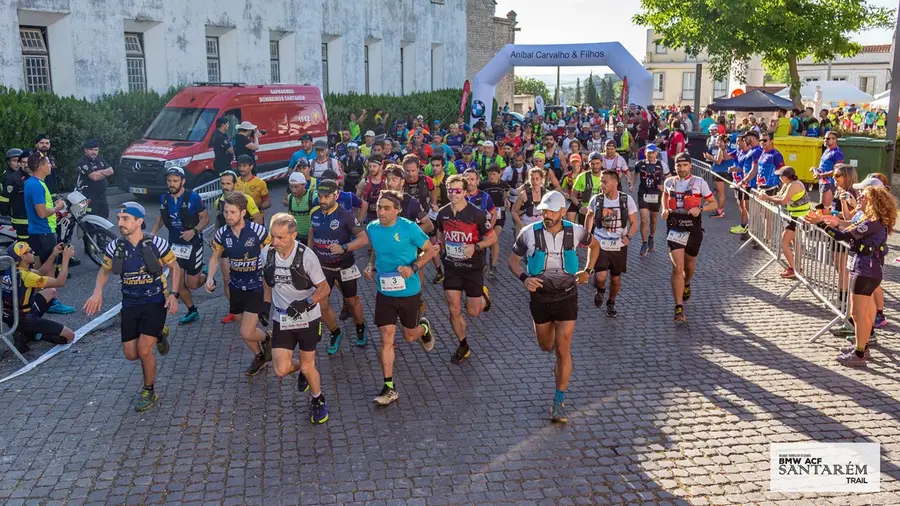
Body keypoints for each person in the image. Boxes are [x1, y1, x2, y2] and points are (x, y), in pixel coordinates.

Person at [508, 191, 599, 423]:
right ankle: (559, 362)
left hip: (567, 296)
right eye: (543, 211)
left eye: (550, 211)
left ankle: (559, 400)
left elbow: (595, 246)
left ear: (561, 211)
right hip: (540, 298)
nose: (545, 215)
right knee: (545, 345)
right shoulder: (528, 233)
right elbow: (513, 260)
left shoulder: (575, 231)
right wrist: (524, 279)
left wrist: (588, 271)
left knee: (562, 349)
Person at [84, 202, 180, 412]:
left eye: (125, 218)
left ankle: (149, 390)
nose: (120, 223)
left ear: (139, 221)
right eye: (119, 218)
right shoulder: (115, 246)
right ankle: (160, 334)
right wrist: (97, 291)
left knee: (145, 351)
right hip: (129, 304)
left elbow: (175, 267)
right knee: (131, 354)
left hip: (155, 301)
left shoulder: (157, 244)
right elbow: (104, 270)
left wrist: (174, 294)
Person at [804, 180, 895, 367]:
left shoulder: (872, 220)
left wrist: (820, 224)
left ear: (873, 201)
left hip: (865, 269)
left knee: (857, 313)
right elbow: (847, 227)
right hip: (867, 268)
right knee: (865, 312)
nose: (859, 197)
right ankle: (862, 346)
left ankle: (860, 353)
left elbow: (842, 236)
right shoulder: (869, 218)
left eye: (864, 196)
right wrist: (832, 221)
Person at [363, 190, 437, 406]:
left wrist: (413, 267)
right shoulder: (372, 228)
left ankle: (423, 328)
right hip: (384, 292)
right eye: (379, 207)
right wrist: (370, 265)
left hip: (408, 292)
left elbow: (430, 251)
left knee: (409, 336)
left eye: (386, 208)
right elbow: (376, 250)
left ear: (397, 210)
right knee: (386, 338)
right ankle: (389, 387)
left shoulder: (409, 227)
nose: (381, 211)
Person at [261, 213, 331, 423]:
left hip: (308, 318)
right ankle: (302, 369)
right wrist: (266, 305)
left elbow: (324, 288)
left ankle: (318, 399)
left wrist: (306, 303)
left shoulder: (307, 257)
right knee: (281, 369)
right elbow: (268, 280)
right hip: (282, 318)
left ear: (293, 235)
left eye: (281, 238)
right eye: (273, 236)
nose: (275, 242)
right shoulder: (268, 253)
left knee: (309, 365)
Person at [205, 192, 273, 375]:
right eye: (226, 212)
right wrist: (210, 277)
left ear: (243, 212)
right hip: (235, 287)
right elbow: (214, 258)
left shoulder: (258, 231)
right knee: (245, 328)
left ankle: (268, 338)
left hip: (255, 286)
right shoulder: (221, 234)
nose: (228, 216)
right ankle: (259, 356)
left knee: (245, 332)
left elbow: (272, 252)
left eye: (233, 212)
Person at [435, 174, 497, 364]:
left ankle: (482, 296)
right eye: (450, 190)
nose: (454, 194)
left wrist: (475, 247)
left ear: (464, 192)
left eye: (458, 191)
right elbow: (440, 231)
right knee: (453, 309)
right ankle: (463, 345)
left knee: (473, 312)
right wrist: (440, 244)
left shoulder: (476, 213)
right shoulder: (443, 213)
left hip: (473, 268)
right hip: (452, 267)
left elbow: (492, 237)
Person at [309, 179, 370, 354]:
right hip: (324, 268)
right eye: (320, 196)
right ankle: (335, 332)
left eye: (326, 196)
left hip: (345, 266)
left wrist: (344, 247)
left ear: (336, 195)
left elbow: (363, 239)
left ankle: (360, 326)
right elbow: (313, 232)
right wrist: (309, 250)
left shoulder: (345, 215)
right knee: (321, 304)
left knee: (352, 302)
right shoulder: (315, 212)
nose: (322, 200)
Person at [662, 153, 717, 322]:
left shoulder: (700, 183)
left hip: (693, 228)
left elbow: (713, 203)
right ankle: (678, 308)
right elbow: (665, 195)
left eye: (685, 165)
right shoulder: (669, 182)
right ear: (675, 167)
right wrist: (665, 209)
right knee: (677, 268)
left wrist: (700, 208)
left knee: (689, 265)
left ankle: (687, 283)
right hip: (674, 227)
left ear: (690, 166)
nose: (682, 168)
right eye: (679, 166)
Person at [150, 167, 209, 324]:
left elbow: (205, 218)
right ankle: (192, 310)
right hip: (174, 245)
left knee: (193, 284)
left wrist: (194, 231)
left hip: (193, 244)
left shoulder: (193, 197)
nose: (172, 184)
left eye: (175, 181)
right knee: (177, 282)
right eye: (169, 181)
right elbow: (161, 217)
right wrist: (154, 232)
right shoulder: (164, 198)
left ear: (183, 181)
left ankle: (206, 276)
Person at [23, 153, 74, 314]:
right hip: (43, 232)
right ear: (40, 166)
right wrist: (58, 207)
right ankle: (51, 302)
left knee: (40, 269)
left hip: (40, 232)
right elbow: (42, 213)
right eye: (48, 163)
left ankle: (36, 300)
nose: (51, 165)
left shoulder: (34, 182)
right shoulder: (36, 185)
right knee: (49, 269)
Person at [583, 170, 638, 317]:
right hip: (600, 242)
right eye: (601, 181)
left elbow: (634, 223)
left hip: (618, 244)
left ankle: (611, 302)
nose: (601, 184)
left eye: (604, 181)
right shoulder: (597, 199)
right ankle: (600, 290)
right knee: (600, 277)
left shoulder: (626, 200)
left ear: (615, 183)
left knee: (615, 279)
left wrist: (629, 237)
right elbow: (589, 216)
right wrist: (587, 235)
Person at [2, 241, 76, 346]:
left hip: (12, 314)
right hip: (24, 318)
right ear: (23, 256)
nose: (33, 252)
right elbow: (60, 282)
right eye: (30, 251)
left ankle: (26, 331)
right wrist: (66, 258)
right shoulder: (27, 276)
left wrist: (54, 253)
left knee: (51, 292)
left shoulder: (14, 269)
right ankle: (30, 335)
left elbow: (40, 272)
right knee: (69, 336)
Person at [213, 170, 264, 324]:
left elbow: (257, 217)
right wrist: (215, 236)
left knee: (252, 276)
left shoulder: (246, 199)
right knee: (228, 277)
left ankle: (256, 308)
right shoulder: (218, 202)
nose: (225, 186)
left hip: (246, 244)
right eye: (222, 183)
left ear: (235, 184)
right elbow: (218, 219)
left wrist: (253, 238)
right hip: (226, 242)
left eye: (228, 183)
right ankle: (235, 308)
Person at [757, 167, 810, 279]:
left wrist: (767, 198)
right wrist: (767, 197)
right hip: (795, 217)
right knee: (795, 243)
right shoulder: (788, 184)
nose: (779, 178)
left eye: (780, 176)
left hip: (798, 218)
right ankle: (797, 268)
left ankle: (793, 269)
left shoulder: (794, 185)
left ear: (785, 177)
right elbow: (780, 196)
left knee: (783, 243)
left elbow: (783, 201)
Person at [634, 144, 667, 256]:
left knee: (653, 219)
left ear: (656, 153)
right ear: (645, 153)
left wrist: (664, 187)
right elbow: (635, 173)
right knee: (644, 219)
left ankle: (651, 237)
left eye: (653, 153)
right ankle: (643, 243)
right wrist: (632, 184)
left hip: (656, 194)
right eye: (649, 153)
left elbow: (669, 177)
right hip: (643, 193)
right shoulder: (640, 164)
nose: (651, 155)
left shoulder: (662, 165)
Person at [478, 165, 509, 275]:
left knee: (494, 238)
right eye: (490, 174)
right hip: (486, 216)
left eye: (494, 174)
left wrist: (507, 200)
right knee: (485, 239)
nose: (491, 176)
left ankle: (494, 265)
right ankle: (484, 261)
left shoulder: (504, 185)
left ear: (499, 174)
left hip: (500, 216)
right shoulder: (483, 185)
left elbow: (507, 195)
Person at [74, 139, 114, 219]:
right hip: (89, 197)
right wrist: (104, 172)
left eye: (96, 150)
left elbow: (111, 171)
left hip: (102, 196)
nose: (94, 152)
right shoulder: (83, 162)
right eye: (91, 149)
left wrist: (98, 172)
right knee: (91, 220)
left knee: (104, 218)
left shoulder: (99, 159)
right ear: (85, 150)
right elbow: (94, 177)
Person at [0, 148, 30, 242]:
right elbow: (4, 199)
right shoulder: (9, 177)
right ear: (9, 162)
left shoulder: (25, 174)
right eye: (14, 161)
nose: (17, 163)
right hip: (17, 217)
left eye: (19, 161)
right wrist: (6, 214)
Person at [812, 131, 843, 212]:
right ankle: (819, 221)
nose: (825, 140)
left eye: (828, 138)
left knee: (824, 206)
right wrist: (816, 170)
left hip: (829, 182)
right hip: (823, 181)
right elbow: (824, 166)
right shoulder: (827, 150)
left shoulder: (837, 153)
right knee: (821, 205)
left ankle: (822, 222)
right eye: (824, 138)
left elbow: (837, 170)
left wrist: (821, 175)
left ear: (835, 140)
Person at [512, 167, 548, 235]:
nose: (534, 182)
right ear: (529, 179)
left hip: (541, 228)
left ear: (541, 179)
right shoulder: (524, 194)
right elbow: (514, 212)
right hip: (526, 227)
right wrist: (522, 226)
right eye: (532, 179)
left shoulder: (546, 194)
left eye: (537, 179)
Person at [283, 171, 316, 244]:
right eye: (291, 187)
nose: (293, 190)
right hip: (297, 236)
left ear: (304, 185)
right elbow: (290, 216)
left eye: (296, 187)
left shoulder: (312, 196)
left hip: (312, 236)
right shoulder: (290, 197)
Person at [571, 152, 604, 221]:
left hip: (603, 211)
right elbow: (573, 195)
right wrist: (580, 207)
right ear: (589, 164)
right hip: (586, 212)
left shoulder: (607, 176)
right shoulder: (582, 176)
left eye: (597, 163)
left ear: (602, 163)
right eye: (592, 164)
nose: (595, 166)